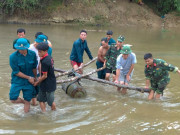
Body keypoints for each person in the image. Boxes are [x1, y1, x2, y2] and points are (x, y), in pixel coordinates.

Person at [9, 38, 37, 113]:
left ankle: (26, 117)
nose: (21, 51)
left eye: (23, 49)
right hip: (17, 80)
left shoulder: (32, 54)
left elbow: (34, 67)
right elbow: (16, 72)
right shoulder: (12, 57)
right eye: (19, 49)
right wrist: (29, 77)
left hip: (29, 81)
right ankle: (24, 103)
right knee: (13, 98)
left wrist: (35, 78)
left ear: (27, 47)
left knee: (28, 99)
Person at [34, 42, 56, 112]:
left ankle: (53, 113)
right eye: (38, 51)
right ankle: (44, 114)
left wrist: (37, 82)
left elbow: (45, 76)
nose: (38, 53)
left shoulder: (45, 61)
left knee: (50, 102)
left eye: (40, 52)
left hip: (48, 83)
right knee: (40, 99)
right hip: (49, 82)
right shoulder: (49, 57)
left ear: (45, 51)